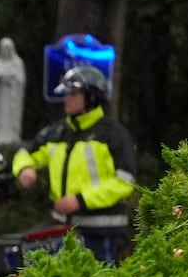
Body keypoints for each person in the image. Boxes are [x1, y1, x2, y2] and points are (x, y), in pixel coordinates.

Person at [11, 64, 136, 263]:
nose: (66, 98)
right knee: (22, 260)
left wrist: (80, 200)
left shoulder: (113, 134)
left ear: (91, 97)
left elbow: (125, 182)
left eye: (73, 93)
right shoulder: (58, 132)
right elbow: (25, 154)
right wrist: (25, 168)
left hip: (102, 232)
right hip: (62, 229)